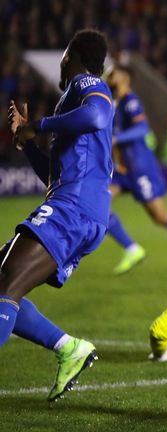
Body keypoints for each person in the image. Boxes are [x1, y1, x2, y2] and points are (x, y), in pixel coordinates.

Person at [2, 29, 112, 401]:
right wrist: (29, 141)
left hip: (74, 210)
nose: (62, 62)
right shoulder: (70, 103)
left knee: (5, 284)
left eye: (65, 54)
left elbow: (99, 114)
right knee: (4, 283)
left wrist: (41, 125)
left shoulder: (87, 84)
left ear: (72, 56)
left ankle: (69, 348)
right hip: (74, 207)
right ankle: (69, 348)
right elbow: (54, 174)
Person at [105, 64, 167, 275]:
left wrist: (116, 138)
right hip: (122, 170)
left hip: (139, 168)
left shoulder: (130, 101)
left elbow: (142, 129)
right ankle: (132, 249)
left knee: (161, 217)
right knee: (97, 206)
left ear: (125, 78)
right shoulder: (115, 103)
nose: (109, 76)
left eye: (113, 73)